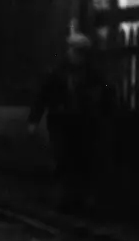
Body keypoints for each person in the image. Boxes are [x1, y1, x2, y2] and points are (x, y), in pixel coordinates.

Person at [28, 24, 114, 212]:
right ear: (70, 51)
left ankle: (81, 198)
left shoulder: (92, 74)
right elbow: (43, 95)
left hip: (84, 122)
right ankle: (66, 198)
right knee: (63, 158)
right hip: (61, 122)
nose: (78, 56)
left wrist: (105, 114)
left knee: (83, 159)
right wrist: (34, 119)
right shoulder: (58, 72)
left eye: (81, 52)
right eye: (76, 52)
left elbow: (106, 95)